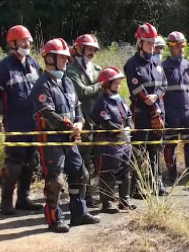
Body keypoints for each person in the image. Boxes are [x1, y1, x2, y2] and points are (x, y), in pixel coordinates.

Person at [30, 38, 100, 232]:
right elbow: (47, 112)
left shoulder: (67, 82)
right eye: (62, 57)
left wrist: (79, 122)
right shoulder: (42, 85)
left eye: (67, 57)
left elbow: (77, 107)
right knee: (55, 180)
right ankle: (54, 218)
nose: (66, 61)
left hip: (70, 139)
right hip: (51, 140)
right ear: (50, 58)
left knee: (80, 173)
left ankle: (79, 213)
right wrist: (68, 126)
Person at [0, 25, 43, 215]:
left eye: (29, 41)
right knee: (14, 163)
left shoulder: (34, 64)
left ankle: (23, 199)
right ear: (12, 43)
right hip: (15, 122)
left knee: (32, 160)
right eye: (23, 41)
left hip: (34, 122)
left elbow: (44, 89)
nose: (27, 44)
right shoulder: (3, 68)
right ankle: (6, 202)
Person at [124, 23, 168, 196]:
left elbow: (164, 84)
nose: (152, 46)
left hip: (159, 111)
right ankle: (138, 187)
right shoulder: (132, 64)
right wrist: (148, 100)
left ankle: (157, 183)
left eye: (153, 42)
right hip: (141, 112)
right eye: (148, 42)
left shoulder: (157, 62)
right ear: (140, 43)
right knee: (140, 150)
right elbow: (135, 86)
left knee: (156, 148)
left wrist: (156, 97)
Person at [90, 67, 137, 213]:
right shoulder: (101, 103)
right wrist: (120, 129)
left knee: (126, 171)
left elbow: (128, 116)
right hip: (108, 145)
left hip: (124, 143)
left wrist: (128, 127)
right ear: (106, 84)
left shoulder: (120, 100)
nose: (119, 85)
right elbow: (106, 123)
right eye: (115, 83)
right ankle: (107, 202)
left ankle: (125, 199)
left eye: (119, 83)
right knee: (108, 173)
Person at [66, 34, 103, 208]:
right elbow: (80, 91)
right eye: (89, 49)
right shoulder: (71, 70)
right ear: (79, 49)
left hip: (98, 120)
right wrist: (100, 86)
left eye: (94, 50)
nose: (92, 53)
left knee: (98, 158)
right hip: (82, 120)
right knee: (84, 159)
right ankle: (85, 196)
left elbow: (105, 93)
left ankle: (96, 193)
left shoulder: (97, 69)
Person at [161, 31, 189, 182]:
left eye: (182, 46)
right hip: (171, 111)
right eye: (177, 46)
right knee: (170, 144)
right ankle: (172, 175)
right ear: (170, 48)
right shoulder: (163, 66)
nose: (181, 49)